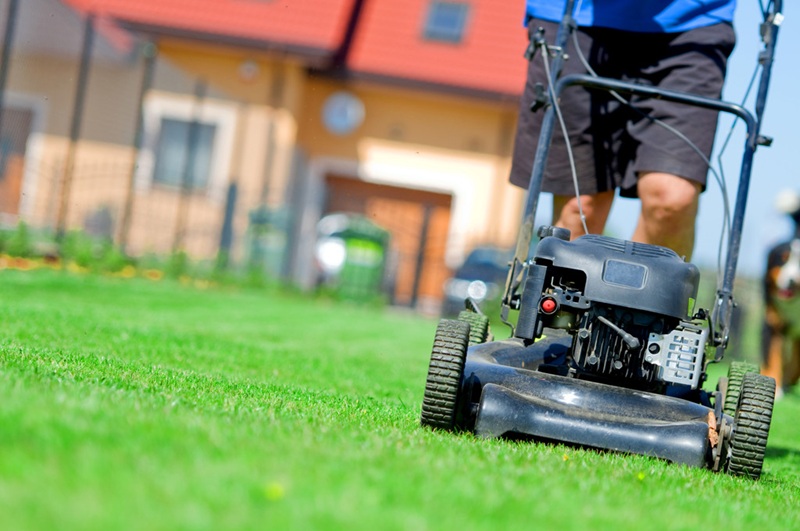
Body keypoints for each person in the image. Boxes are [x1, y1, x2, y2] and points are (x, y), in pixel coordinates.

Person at [509, 0, 737, 260]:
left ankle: (641, 298)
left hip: (691, 23)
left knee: (671, 199)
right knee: (580, 209)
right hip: (577, 19)